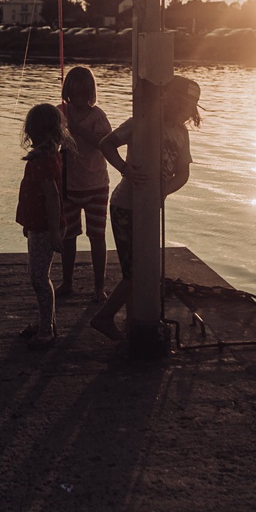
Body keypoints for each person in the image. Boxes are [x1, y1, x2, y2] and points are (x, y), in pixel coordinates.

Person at [89, 75, 201, 342]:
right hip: (125, 206)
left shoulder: (181, 134)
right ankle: (104, 317)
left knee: (142, 268)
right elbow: (106, 144)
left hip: (151, 208)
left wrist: (164, 191)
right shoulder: (141, 124)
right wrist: (125, 169)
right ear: (168, 100)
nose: (185, 111)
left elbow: (183, 174)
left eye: (190, 107)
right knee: (136, 271)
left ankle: (130, 321)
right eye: (182, 104)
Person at [14, 102, 68, 349]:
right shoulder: (46, 156)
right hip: (38, 226)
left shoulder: (45, 159)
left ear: (31, 131)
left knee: (39, 278)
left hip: (46, 228)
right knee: (38, 276)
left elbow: (53, 196)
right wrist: (28, 224)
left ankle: (46, 330)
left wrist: (55, 230)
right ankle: (48, 323)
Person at [58, 66, 112, 302]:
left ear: (90, 93)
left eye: (83, 93)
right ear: (68, 92)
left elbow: (105, 142)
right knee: (68, 236)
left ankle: (98, 287)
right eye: (74, 93)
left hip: (96, 185)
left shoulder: (97, 116)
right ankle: (67, 282)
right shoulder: (60, 113)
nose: (79, 99)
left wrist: (77, 130)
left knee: (97, 236)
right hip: (68, 186)